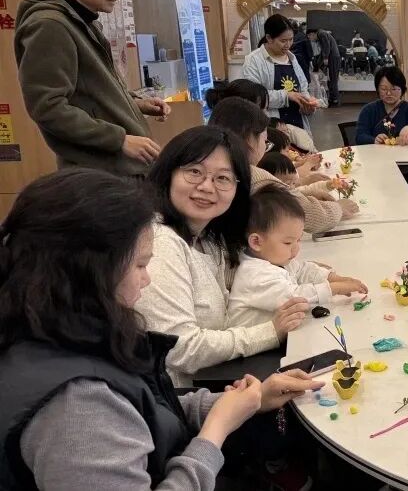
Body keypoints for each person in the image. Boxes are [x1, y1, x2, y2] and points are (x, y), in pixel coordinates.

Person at [0, 168, 323, 488]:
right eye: (140, 264)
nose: (148, 279)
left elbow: (146, 411)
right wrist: (216, 430)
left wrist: (248, 401)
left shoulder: (69, 336)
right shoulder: (77, 408)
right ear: (92, 270)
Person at [132, 126, 311, 387]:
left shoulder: (209, 238)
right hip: (179, 397)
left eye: (223, 178)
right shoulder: (159, 244)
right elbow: (178, 348)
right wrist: (271, 332)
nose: (207, 186)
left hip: (215, 379)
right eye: (194, 172)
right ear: (169, 173)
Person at [14, 0, 170, 177]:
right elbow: (48, 107)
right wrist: (119, 139)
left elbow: (88, 94)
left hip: (117, 170)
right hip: (99, 174)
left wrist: (135, 103)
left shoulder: (84, 21)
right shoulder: (50, 26)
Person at [228, 184, 368, 329]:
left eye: (298, 240)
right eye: (288, 242)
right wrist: (334, 288)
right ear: (256, 242)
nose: (296, 249)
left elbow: (302, 269)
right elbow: (294, 298)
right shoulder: (254, 275)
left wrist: (332, 277)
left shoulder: (272, 257)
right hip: (260, 343)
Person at [208, 97, 355, 233]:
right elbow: (310, 215)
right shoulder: (253, 175)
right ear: (249, 140)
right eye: (265, 142)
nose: (266, 148)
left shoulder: (209, 165)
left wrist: (304, 194)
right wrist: (338, 208)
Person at [242, 15, 318, 132]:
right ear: (269, 38)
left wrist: (306, 105)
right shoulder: (254, 61)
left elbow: (303, 88)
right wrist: (286, 95)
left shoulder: (292, 58)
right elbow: (254, 96)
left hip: (297, 125)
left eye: (291, 39)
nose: (288, 45)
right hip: (271, 127)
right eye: (283, 41)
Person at [356, 66, 408, 145]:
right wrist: (374, 140)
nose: (388, 93)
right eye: (384, 89)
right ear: (377, 89)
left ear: (402, 89)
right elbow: (360, 136)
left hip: (406, 152)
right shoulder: (369, 110)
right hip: (378, 152)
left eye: (393, 89)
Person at [307, 28, 341, 106]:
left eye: (310, 37)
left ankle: (335, 100)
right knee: (330, 79)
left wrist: (325, 58)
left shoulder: (321, 34)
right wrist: (317, 66)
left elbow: (326, 46)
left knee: (332, 79)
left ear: (312, 34)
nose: (311, 39)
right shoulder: (322, 34)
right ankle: (332, 99)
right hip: (332, 57)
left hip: (333, 58)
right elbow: (322, 52)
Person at [290, 20, 312, 86]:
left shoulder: (288, 37)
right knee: (304, 75)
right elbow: (308, 49)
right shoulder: (302, 36)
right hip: (303, 60)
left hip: (292, 59)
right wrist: (311, 59)